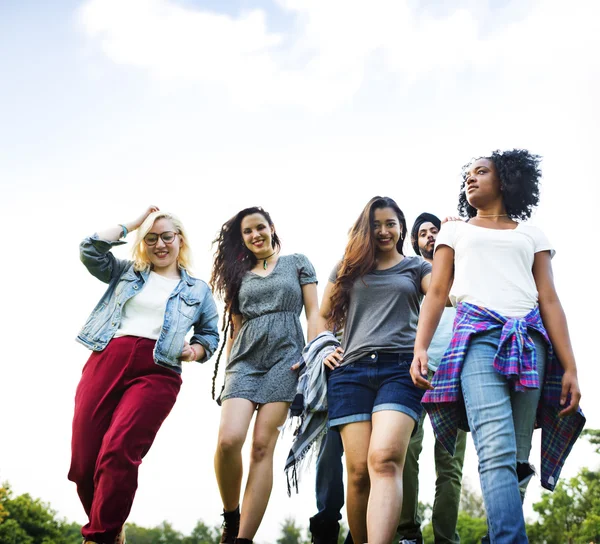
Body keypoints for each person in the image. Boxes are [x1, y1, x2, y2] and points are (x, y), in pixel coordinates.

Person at [411, 150, 585, 543]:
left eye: (481, 172)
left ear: (505, 180)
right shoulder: (454, 231)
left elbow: (550, 300)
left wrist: (570, 366)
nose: (471, 179)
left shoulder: (532, 233)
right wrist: (421, 347)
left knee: (518, 459)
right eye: (467, 175)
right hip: (477, 339)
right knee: (495, 449)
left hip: (531, 343)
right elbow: (437, 292)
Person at [69, 206, 220, 544]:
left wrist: (194, 351)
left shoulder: (197, 290)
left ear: (180, 240)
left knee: (119, 449)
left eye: (167, 236)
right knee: (83, 462)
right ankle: (111, 523)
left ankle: (100, 536)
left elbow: (210, 334)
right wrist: (134, 223)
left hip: (158, 371)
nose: (160, 244)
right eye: (151, 238)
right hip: (107, 359)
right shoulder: (125, 272)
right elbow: (89, 249)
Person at [320, 196, 432, 544]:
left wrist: (452, 240)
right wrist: (323, 346)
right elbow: (323, 315)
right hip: (350, 371)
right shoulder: (347, 268)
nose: (384, 231)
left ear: (401, 228)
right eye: (376, 224)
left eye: (391, 223)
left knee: (384, 460)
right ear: (365, 229)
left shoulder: (416, 268)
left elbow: (445, 292)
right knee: (357, 475)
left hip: (401, 369)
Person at [210, 206, 319, 544]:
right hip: (244, 362)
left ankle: (242, 539)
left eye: (260, 228)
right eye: (248, 232)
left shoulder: (297, 262)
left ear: (271, 228)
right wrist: (229, 371)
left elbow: (314, 312)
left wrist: (312, 354)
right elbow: (235, 328)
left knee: (261, 447)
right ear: (242, 239)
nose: (256, 235)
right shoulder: (237, 275)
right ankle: (231, 514)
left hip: (286, 361)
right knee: (229, 440)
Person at [397, 213, 466, 544]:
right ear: (414, 242)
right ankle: (407, 531)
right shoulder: (410, 274)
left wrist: (459, 230)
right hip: (414, 372)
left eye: (434, 231)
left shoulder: (462, 272)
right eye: (422, 233)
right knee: (406, 452)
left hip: (455, 372)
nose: (428, 236)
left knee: (449, 465)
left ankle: (445, 538)